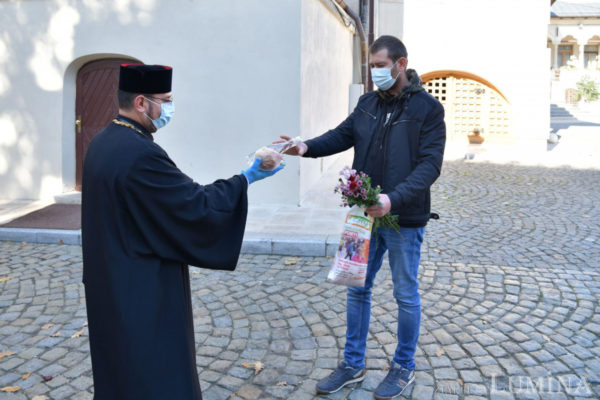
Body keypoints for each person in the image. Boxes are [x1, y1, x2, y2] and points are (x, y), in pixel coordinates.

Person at [81, 63, 283, 400]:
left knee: (118, 368)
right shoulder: (140, 153)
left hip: (109, 280)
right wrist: (246, 177)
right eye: (166, 100)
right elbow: (195, 206)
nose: (170, 108)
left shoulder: (103, 142)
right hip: (142, 286)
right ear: (141, 102)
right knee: (154, 370)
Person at [279, 35, 445, 399]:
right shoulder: (367, 103)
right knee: (356, 288)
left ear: (401, 64)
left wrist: (393, 199)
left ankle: (403, 367)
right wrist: (305, 147)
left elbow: (430, 166)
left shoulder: (428, 109)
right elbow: (342, 135)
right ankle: (352, 364)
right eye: (372, 66)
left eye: (381, 66)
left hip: (403, 218)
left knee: (406, 295)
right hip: (363, 216)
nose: (375, 73)